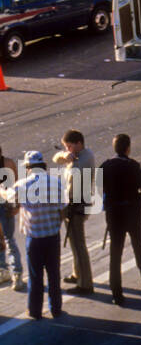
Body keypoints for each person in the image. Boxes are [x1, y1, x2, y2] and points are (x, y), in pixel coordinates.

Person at [0, 152, 66, 319]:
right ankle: (56, 308)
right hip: (52, 236)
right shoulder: (56, 182)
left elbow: (10, 200)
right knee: (54, 273)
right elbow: (62, 208)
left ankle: (35, 311)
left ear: (29, 168)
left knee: (35, 276)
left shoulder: (22, 185)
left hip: (34, 238)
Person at [100, 134, 141, 307]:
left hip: (114, 214)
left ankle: (116, 292)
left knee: (115, 252)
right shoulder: (133, 166)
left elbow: (96, 190)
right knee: (138, 245)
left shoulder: (105, 165)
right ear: (128, 148)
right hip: (133, 213)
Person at [53, 130, 94, 294]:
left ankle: (85, 284)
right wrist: (65, 155)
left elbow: (71, 172)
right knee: (74, 242)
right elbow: (56, 158)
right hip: (73, 204)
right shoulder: (78, 155)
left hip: (77, 205)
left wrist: (67, 159)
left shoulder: (83, 160)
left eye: (69, 146)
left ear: (78, 143)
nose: (68, 149)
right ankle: (78, 274)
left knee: (79, 245)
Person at [0, 146, 22, 291]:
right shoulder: (8, 162)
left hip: (5, 205)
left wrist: (16, 205)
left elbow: (16, 186)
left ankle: (8, 271)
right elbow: (16, 186)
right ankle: (12, 272)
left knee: (5, 240)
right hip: (7, 205)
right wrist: (17, 206)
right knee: (7, 239)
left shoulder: (8, 163)